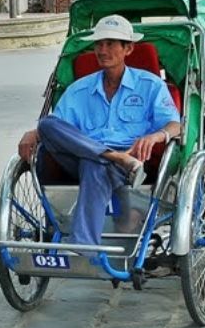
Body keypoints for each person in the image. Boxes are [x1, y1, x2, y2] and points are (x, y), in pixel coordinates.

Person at [15, 15, 182, 246]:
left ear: (128, 49)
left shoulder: (150, 85)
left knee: (93, 164)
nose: (102, 50)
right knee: (46, 125)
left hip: (131, 163)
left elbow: (174, 125)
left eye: (110, 44)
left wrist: (155, 136)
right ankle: (113, 157)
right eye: (99, 44)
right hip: (87, 157)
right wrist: (33, 132)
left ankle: (84, 247)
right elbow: (56, 127)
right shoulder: (79, 89)